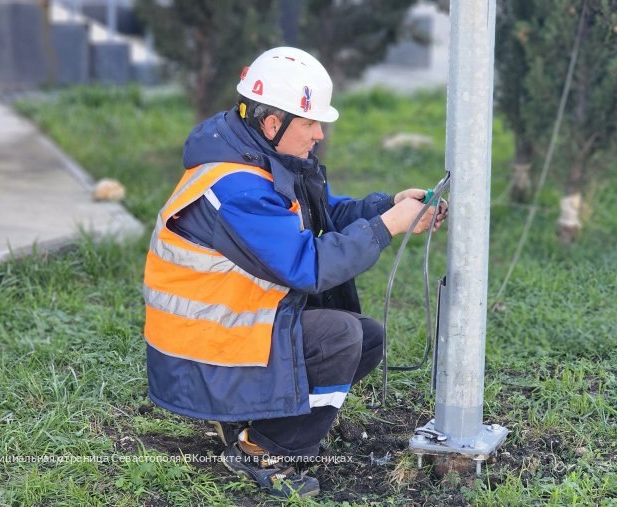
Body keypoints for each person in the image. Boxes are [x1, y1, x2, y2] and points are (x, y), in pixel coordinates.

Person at [142, 46, 447, 498]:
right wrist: (387, 227)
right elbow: (308, 266)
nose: (319, 134)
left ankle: (255, 422)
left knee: (367, 338)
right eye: (310, 123)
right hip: (201, 359)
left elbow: (322, 214)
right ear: (272, 124)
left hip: (222, 341)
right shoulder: (237, 189)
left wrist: (386, 207)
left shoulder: (259, 156)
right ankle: (261, 449)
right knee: (340, 338)